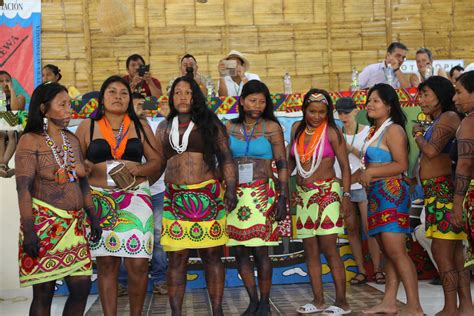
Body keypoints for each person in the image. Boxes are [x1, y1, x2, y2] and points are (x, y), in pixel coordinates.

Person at [75, 75, 160, 316]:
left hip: (135, 198)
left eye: (124, 93)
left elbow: (156, 161)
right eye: (111, 92)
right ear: (102, 98)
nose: (118, 97)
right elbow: (78, 165)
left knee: (138, 264)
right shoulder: (87, 126)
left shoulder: (140, 125)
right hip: (99, 200)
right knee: (107, 264)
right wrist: (87, 167)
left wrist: (140, 170)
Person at [15, 82, 102, 316]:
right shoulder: (29, 141)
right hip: (43, 226)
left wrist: (92, 215)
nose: (68, 109)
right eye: (62, 104)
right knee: (44, 293)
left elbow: (81, 182)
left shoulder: (71, 140)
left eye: (69, 104)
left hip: (74, 226)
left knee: (82, 288)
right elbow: (23, 188)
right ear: (44, 109)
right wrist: (29, 229)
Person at [155, 76, 236, 316]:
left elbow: (226, 157)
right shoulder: (163, 127)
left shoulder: (210, 124)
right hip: (175, 199)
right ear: (171, 97)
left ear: (196, 97)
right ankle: (176, 313)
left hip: (207, 196)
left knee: (212, 257)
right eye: (177, 92)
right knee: (177, 260)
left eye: (187, 92)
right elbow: (157, 163)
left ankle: (218, 311)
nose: (182, 97)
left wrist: (231, 188)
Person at [357, 83, 423, 315]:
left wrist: (371, 173)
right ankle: (389, 302)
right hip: (376, 195)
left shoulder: (393, 129)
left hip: (391, 194)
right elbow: (372, 165)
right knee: (388, 251)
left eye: (376, 100)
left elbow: (401, 165)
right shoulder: (375, 130)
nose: (370, 104)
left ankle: (414, 306)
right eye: (369, 100)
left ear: (388, 105)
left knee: (396, 251)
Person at [225, 80, 288, 315]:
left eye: (262, 101)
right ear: (241, 101)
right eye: (252, 100)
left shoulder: (271, 127)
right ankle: (253, 300)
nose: (257, 105)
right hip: (235, 195)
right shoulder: (228, 127)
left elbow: (282, 164)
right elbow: (222, 160)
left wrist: (282, 197)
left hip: (263, 194)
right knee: (240, 250)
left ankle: (265, 302)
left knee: (261, 250)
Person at [288, 89, 351, 315]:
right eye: (312, 111)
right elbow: (289, 162)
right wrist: (286, 188)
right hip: (304, 194)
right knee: (310, 249)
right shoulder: (296, 129)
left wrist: (345, 196)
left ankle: (342, 302)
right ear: (304, 109)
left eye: (321, 112)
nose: (316, 116)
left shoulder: (332, 131)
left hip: (328, 192)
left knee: (329, 248)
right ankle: (318, 301)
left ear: (328, 112)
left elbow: (345, 166)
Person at [412, 76, 470, 314]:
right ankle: (465, 306)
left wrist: (417, 134)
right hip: (437, 192)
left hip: (443, 192)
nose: (421, 100)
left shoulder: (449, 116)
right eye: (420, 95)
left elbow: (432, 151)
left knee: (443, 252)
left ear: (441, 95)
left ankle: (450, 307)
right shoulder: (439, 120)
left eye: (426, 94)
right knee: (455, 255)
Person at [333, 97, 384, 285]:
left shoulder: (368, 132)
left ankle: (378, 270)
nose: (343, 116)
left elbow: (371, 157)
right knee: (352, 229)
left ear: (356, 111)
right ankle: (361, 270)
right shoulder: (335, 132)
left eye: (346, 112)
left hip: (362, 184)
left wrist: (350, 148)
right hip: (342, 185)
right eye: (340, 112)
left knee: (369, 228)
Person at [452, 71, 474, 311]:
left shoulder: (469, 121)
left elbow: (465, 164)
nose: (455, 99)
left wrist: (458, 203)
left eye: (459, 92)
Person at [0, 70, 26, 178]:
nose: (4, 83)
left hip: (14, 127)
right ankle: (2, 166)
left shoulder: (20, 97)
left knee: (11, 133)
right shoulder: (1, 98)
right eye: (1, 81)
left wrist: (11, 90)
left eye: (7, 81)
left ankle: (3, 164)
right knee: (1, 133)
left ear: (12, 83)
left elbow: (15, 109)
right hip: (1, 128)